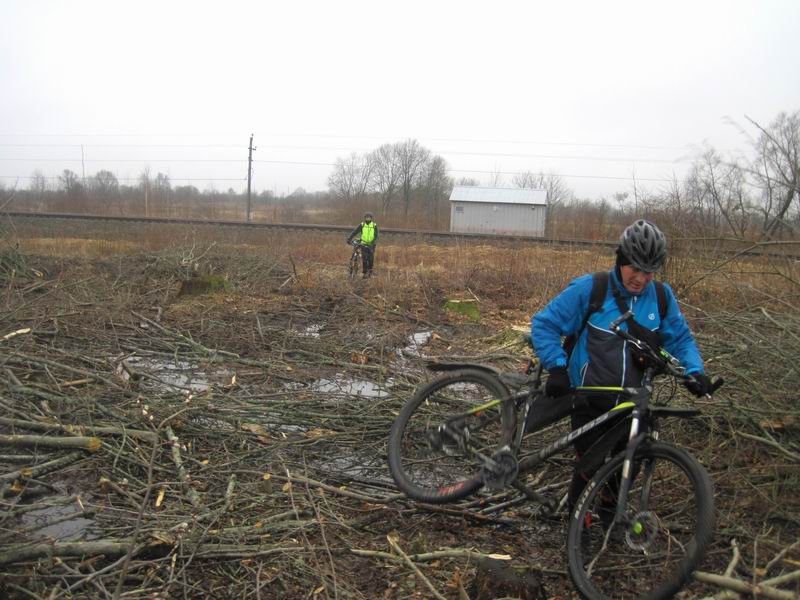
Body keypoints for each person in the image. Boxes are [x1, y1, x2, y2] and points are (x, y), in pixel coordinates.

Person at [531, 219, 712, 512]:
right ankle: (579, 531)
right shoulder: (592, 289)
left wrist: (694, 371)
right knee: (588, 466)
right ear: (620, 259)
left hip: (632, 403)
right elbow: (544, 324)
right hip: (589, 399)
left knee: (628, 465)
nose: (641, 278)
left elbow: (681, 339)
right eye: (635, 269)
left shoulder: (662, 299)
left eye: (649, 271)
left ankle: (608, 514)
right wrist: (557, 367)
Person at [346, 212, 379, 278]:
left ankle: (370, 273)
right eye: (366, 217)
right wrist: (349, 238)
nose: (368, 218)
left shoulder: (374, 225)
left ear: (371, 218)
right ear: (365, 218)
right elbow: (355, 232)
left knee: (371, 259)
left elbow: (376, 236)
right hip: (363, 244)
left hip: (371, 245)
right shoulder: (362, 225)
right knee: (364, 259)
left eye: (369, 217)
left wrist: (372, 242)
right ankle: (364, 273)